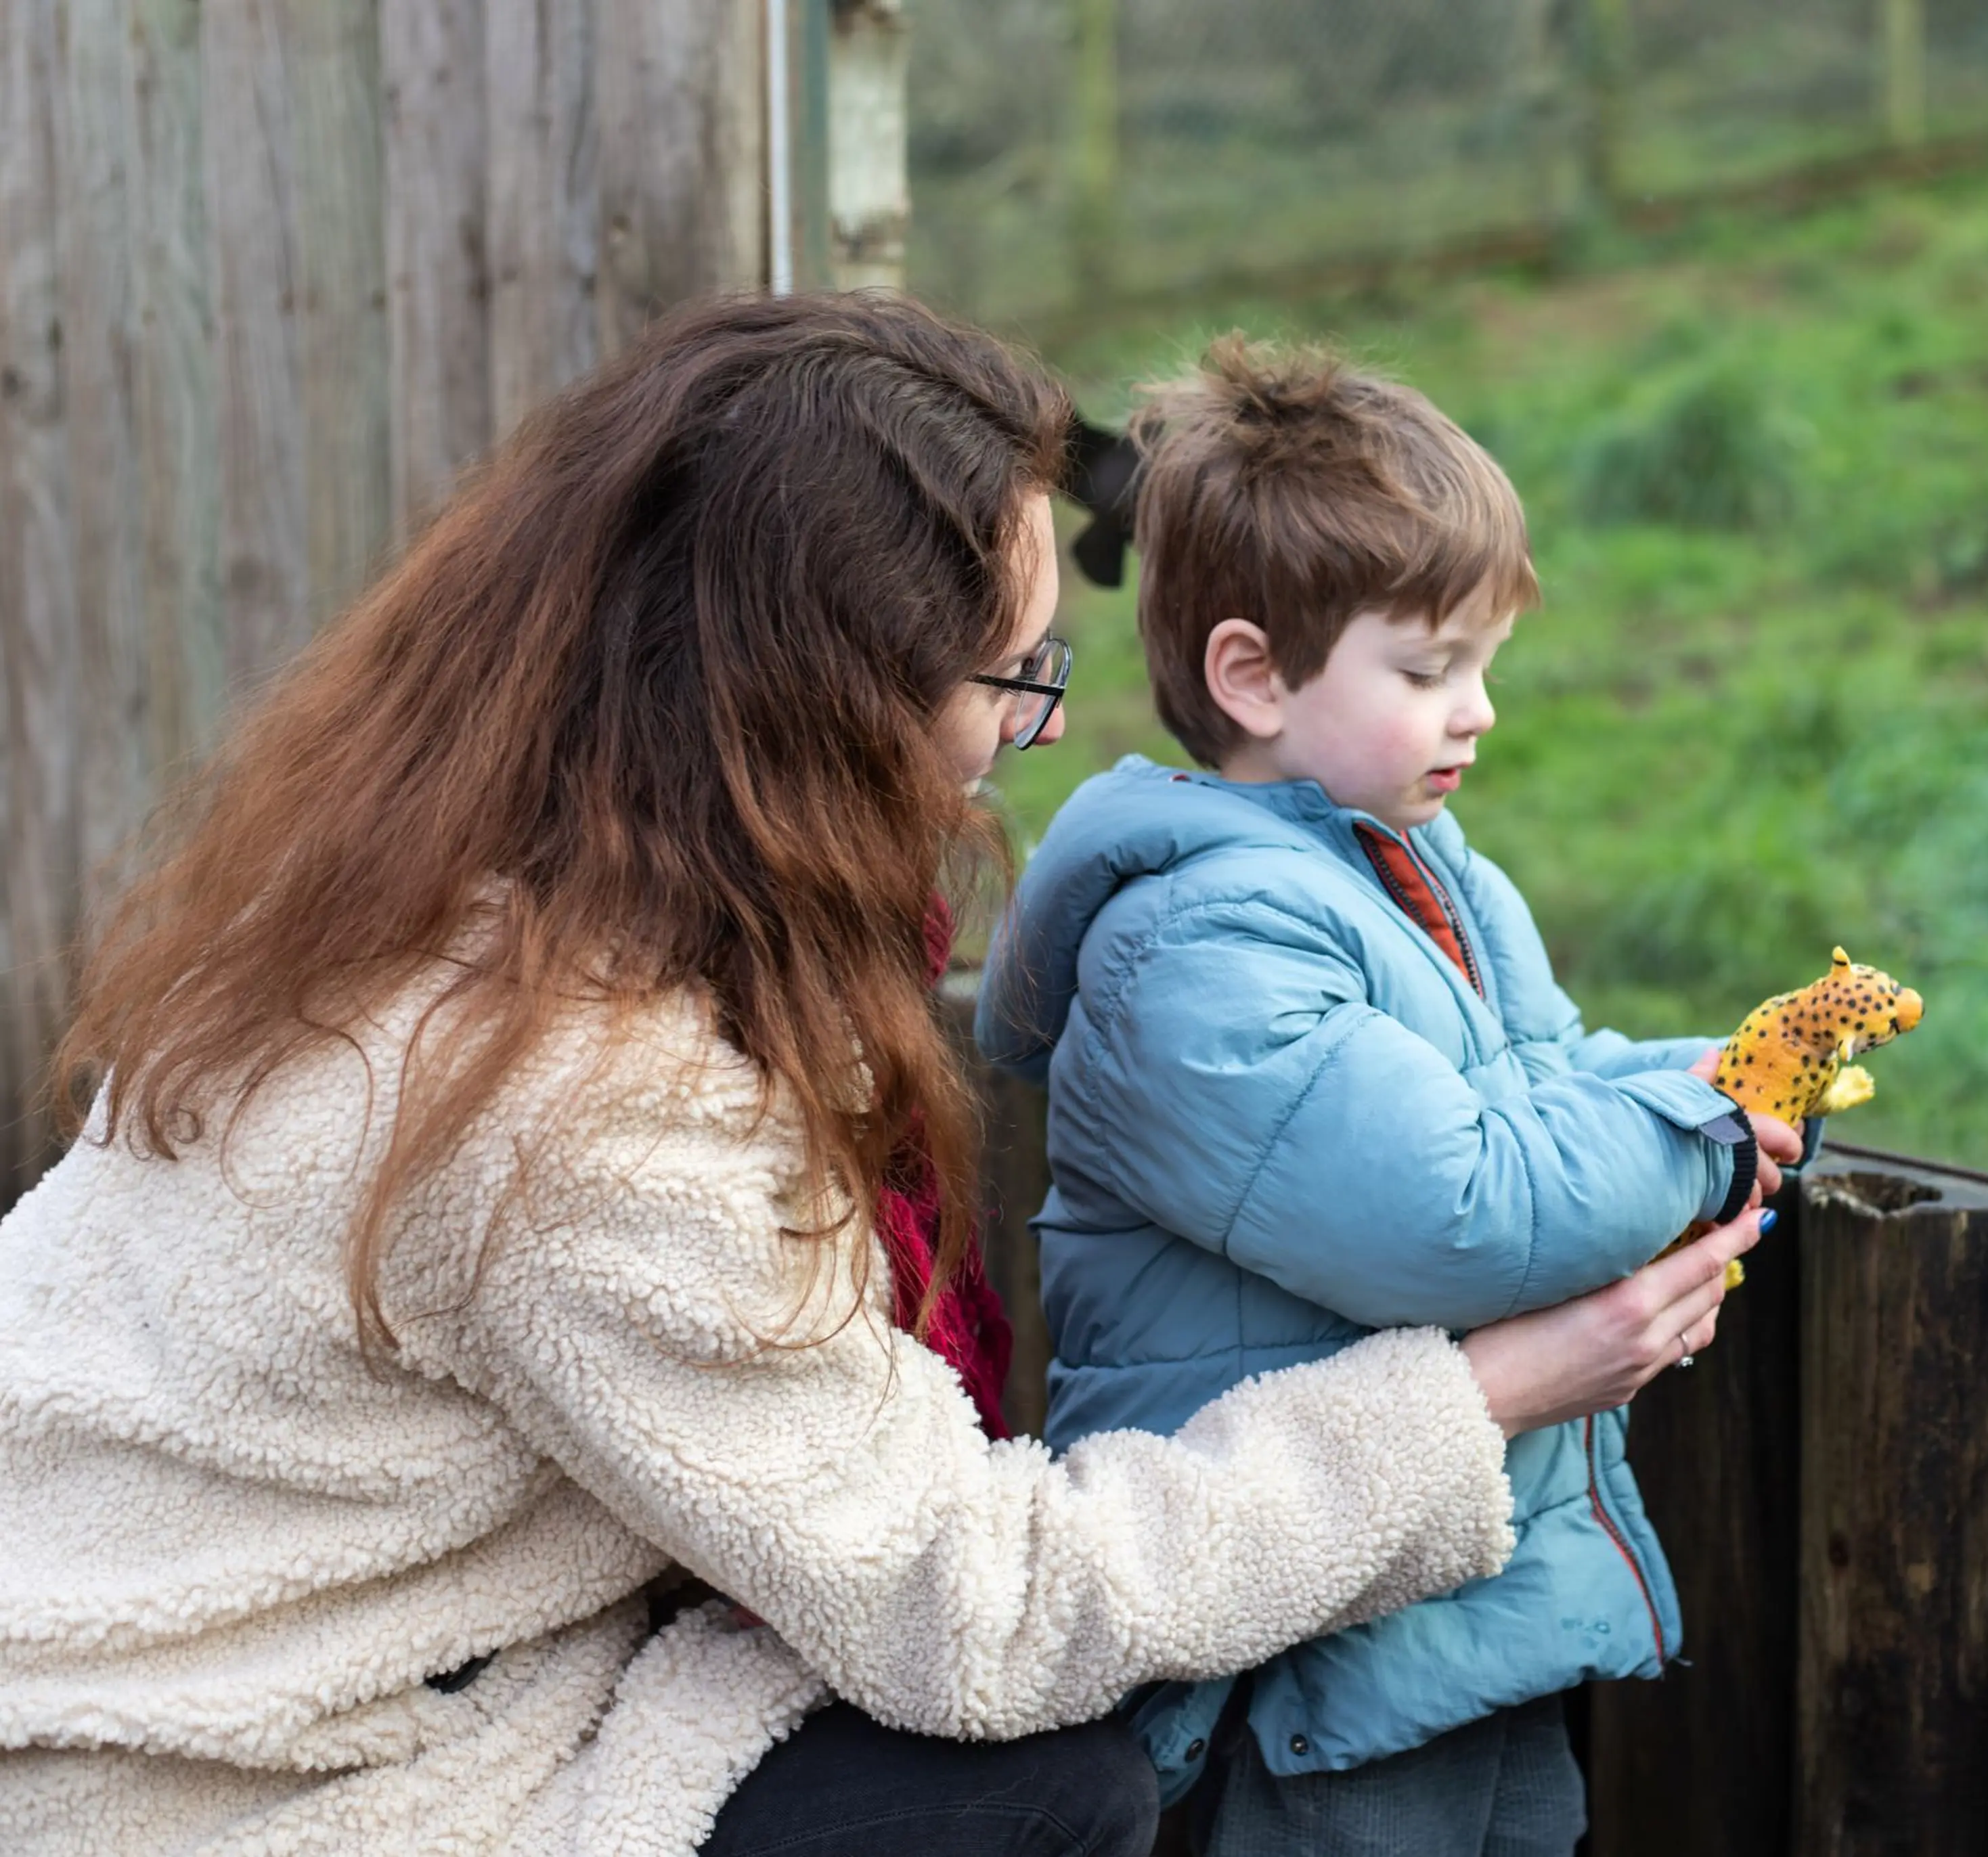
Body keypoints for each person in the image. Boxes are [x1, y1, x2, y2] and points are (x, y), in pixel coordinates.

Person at [0, 295, 1755, 1857]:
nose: (1036, 732)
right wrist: (1479, 1400)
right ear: (824, 698)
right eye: (1018, 674)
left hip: (183, 1669)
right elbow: (976, 1610)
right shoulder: (574, 1104)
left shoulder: (437, 912)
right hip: (201, 1784)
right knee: (1043, 1784)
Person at [975, 336, 1805, 1856]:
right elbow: (1463, 1214)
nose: (1476, 709)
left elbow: (1544, 1077)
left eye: (1484, 662)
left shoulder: (1422, 871)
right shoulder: (1196, 948)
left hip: (1459, 1610)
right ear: (1254, 675)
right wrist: (1698, 1140)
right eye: (1427, 670)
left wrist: (1697, 1079)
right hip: (1293, 1661)